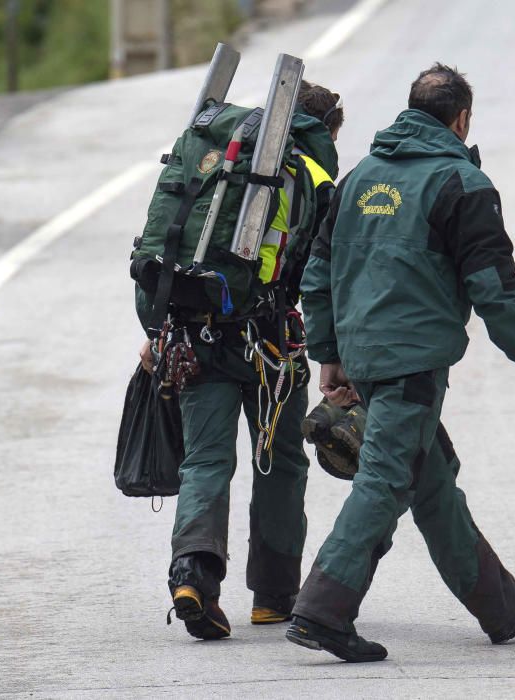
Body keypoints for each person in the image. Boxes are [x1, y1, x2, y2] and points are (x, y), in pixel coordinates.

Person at [285, 64, 515, 662]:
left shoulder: (359, 177)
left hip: (363, 353)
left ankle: (500, 604)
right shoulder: (461, 182)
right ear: (461, 120)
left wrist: (330, 354)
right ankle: (322, 610)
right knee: (384, 478)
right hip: (411, 363)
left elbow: (319, 272)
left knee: (431, 481)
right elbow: (491, 281)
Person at [136, 81, 344, 640]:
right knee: (278, 463)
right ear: (329, 128)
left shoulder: (211, 157)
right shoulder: (315, 176)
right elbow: (318, 276)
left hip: (195, 334)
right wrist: (333, 356)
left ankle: (193, 577)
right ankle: (275, 596)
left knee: (205, 463)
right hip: (272, 344)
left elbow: (161, 244)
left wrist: (157, 331)